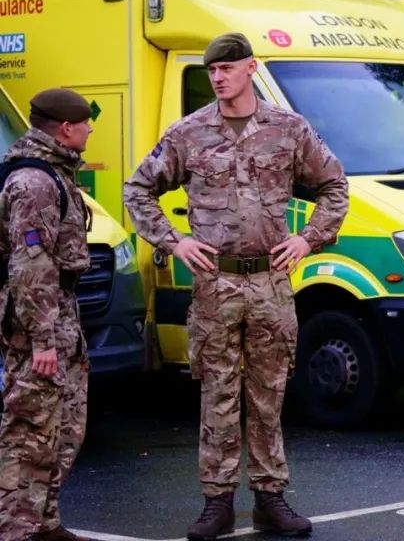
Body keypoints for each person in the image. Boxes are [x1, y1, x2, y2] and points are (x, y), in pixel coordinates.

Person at [123, 32, 349, 541]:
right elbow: (138, 188)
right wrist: (174, 240)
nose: (218, 77)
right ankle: (217, 502)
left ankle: (270, 498)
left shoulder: (289, 129)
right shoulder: (188, 133)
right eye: (212, 71)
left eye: (226, 68)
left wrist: (308, 238)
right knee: (217, 394)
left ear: (251, 67)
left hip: (270, 282)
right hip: (216, 284)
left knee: (269, 393)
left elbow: (334, 184)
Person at [0, 88, 94, 541]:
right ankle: (16, 529)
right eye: (86, 123)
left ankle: (44, 523)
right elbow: (30, 265)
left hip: (62, 313)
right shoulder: (34, 183)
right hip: (39, 319)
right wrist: (42, 340)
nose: (90, 129)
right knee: (29, 430)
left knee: (64, 426)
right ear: (66, 129)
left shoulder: (56, 173)